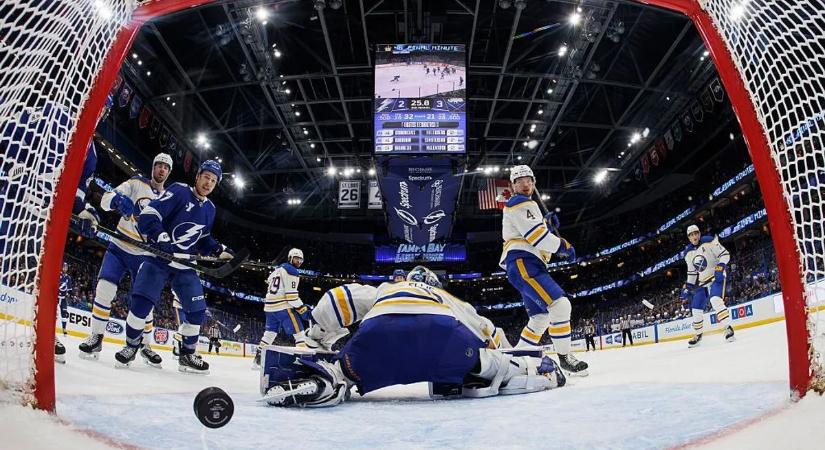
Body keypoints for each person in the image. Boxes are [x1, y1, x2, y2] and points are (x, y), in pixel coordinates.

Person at [260, 266, 564, 407]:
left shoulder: (387, 288)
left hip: (377, 341)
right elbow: (492, 335)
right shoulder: (450, 299)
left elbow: (336, 300)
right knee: (492, 363)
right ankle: (531, 373)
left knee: (345, 369)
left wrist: (319, 338)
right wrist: (506, 356)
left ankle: (326, 381)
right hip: (445, 345)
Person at [114, 160, 234, 374]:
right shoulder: (179, 190)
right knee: (140, 304)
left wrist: (218, 250)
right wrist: (160, 236)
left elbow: (203, 238)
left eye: (214, 180)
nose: (209, 183)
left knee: (197, 312)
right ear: (197, 176)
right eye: (206, 177)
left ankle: (187, 354)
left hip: (185, 263)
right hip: (158, 257)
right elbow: (149, 215)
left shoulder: (210, 209)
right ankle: (131, 346)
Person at [78, 153, 172, 367]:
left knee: (144, 304)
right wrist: (117, 201)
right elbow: (105, 200)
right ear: (153, 167)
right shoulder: (136, 182)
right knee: (104, 289)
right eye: (158, 165)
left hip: (145, 254)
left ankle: (146, 346)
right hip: (119, 246)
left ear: (169, 172)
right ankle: (96, 338)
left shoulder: (169, 198)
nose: (161, 170)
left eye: (166, 168)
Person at [499, 165, 588, 376]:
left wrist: (545, 224)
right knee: (560, 305)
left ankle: (517, 360)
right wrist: (563, 246)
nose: (525, 183)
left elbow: (535, 232)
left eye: (528, 179)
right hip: (524, 261)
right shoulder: (521, 202)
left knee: (539, 318)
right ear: (512, 185)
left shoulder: (523, 205)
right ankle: (565, 358)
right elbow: (537, 238)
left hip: (524, 263)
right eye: (519, 181)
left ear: (534, 182)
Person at [253, 248, 310, 368]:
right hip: (282, 307)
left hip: (269, 307)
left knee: (269, 333)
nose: (298, 261)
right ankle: (304, 362)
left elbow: (268, 281)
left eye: (300, 259)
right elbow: (292, 297)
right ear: (290, 258)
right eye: (296, 258)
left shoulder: (277, 269)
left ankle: (258, 359)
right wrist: (303, 309)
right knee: (299, 334)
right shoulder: (292, 271)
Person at [680, 224, 735, 347]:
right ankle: (698, 334)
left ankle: (728, 328)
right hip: (703, 282)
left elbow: (725, 254)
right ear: (688, 237)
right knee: (695, 308)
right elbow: (692, 272)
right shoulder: (688, 253)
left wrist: (720, 267)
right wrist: (688, 287)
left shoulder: (709, 241)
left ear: (699, 234)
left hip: (717, 277)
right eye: (691, 235)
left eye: (696, 233)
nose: (694, 236)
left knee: (715, 300)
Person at [58, 262, 72, 336]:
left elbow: (69, 290)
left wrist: (69, 294)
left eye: (66, 267)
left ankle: (64, 328)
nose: (65, 268)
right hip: (56, 297)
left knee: (64, 313)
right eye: (64, 267)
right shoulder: (57, 274)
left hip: (63, 298)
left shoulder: (68, 278)